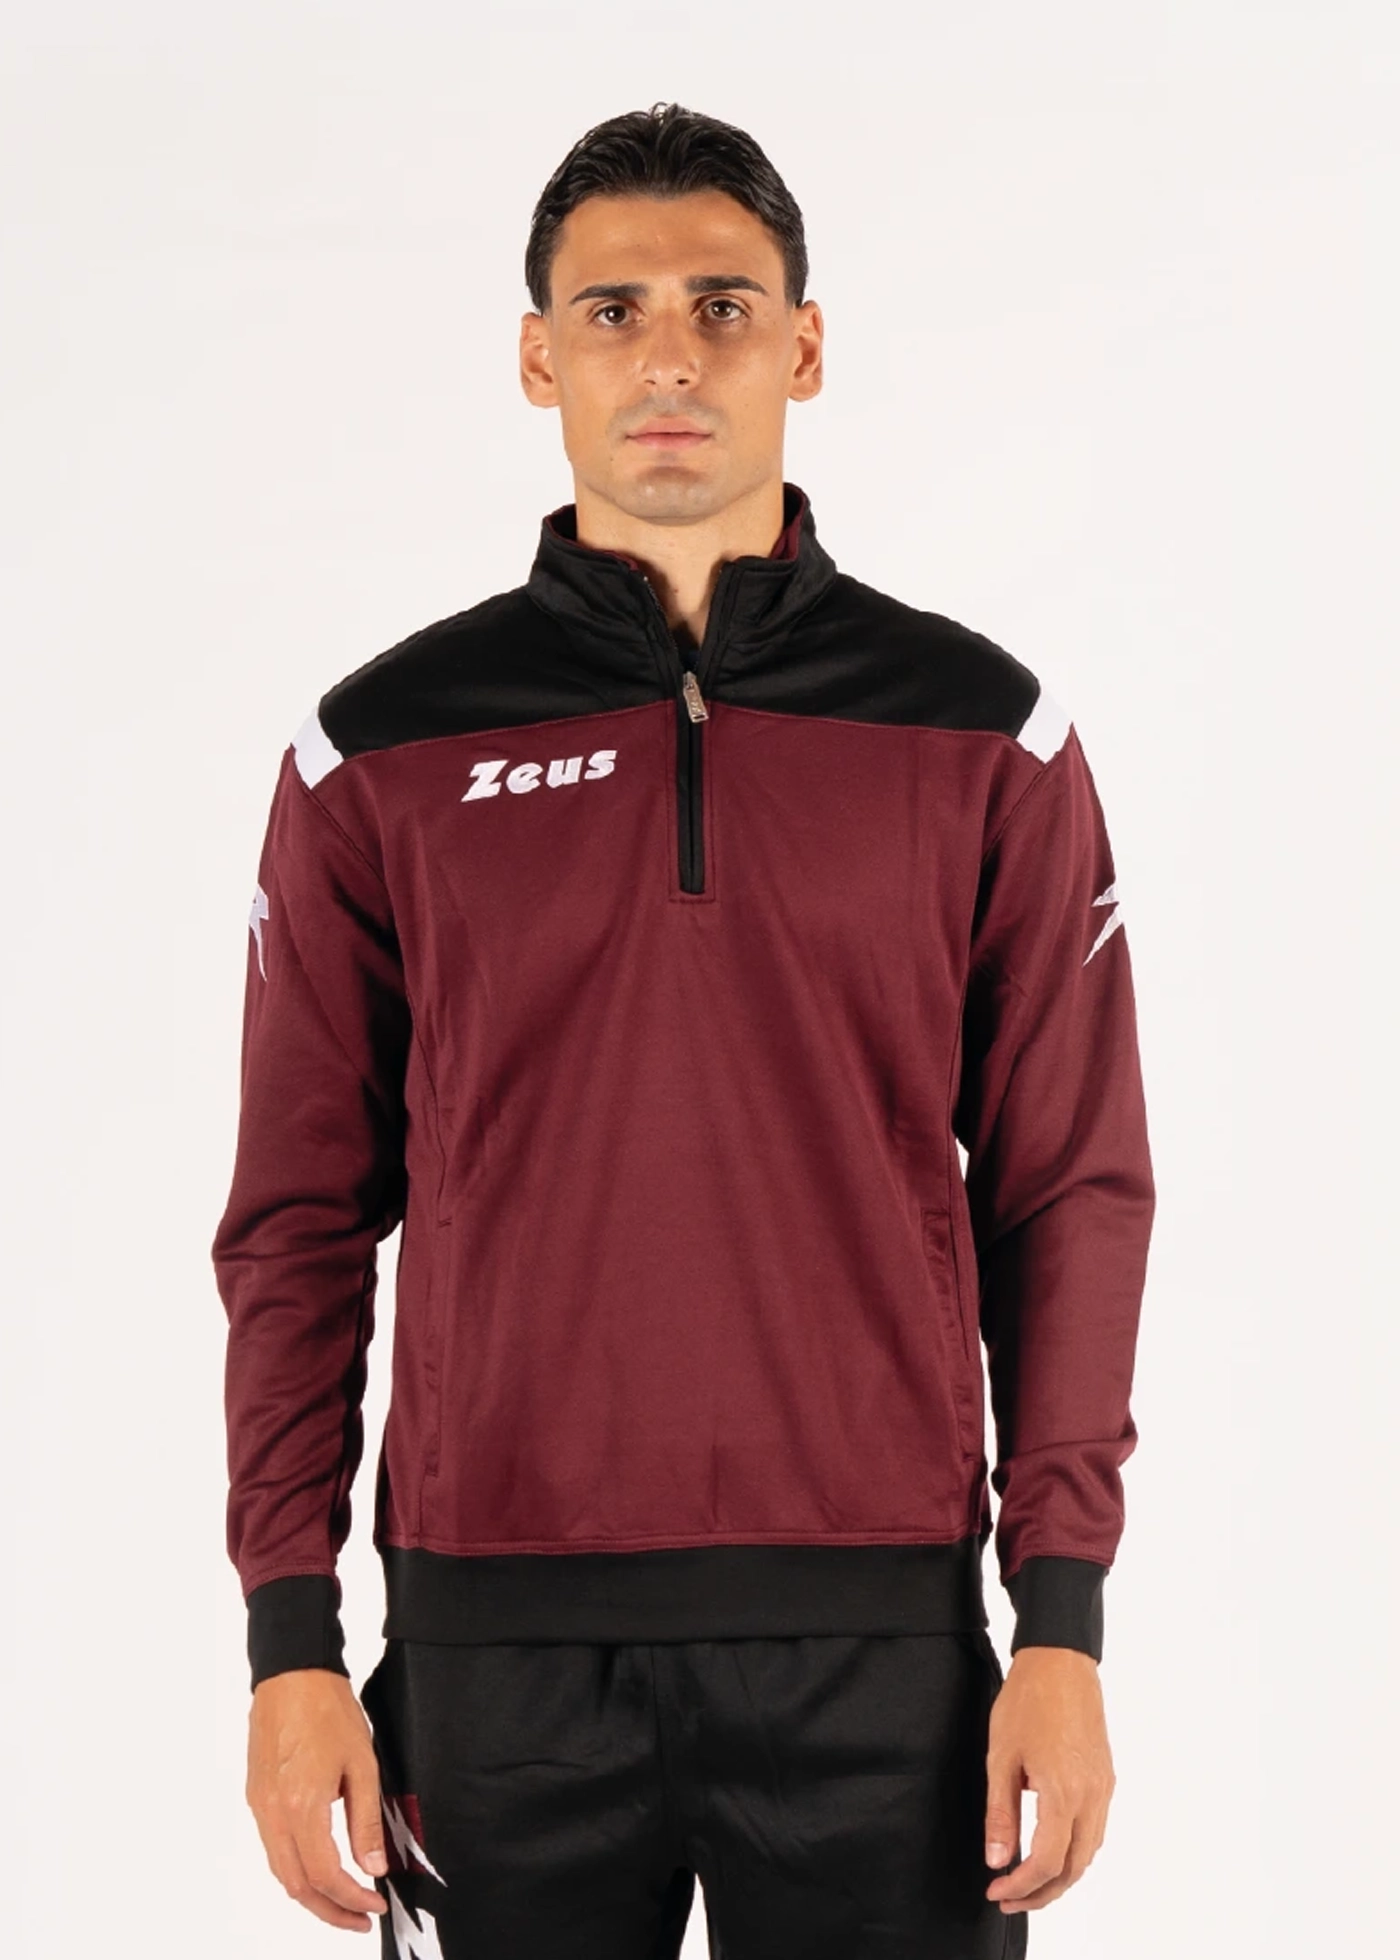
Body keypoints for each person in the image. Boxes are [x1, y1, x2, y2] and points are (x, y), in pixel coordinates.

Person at [213, 101, 1155, 1960]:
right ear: (537, 357)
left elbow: (1071, 1193)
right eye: (615, 310)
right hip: (494, 1661)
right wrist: (289, 1642)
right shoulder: (379, 753)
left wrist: (1061, 1621)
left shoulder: (984, 736)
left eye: (722, 306)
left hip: (883, 1660)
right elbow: (296, 1224)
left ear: (803, 346)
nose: (668, 356)